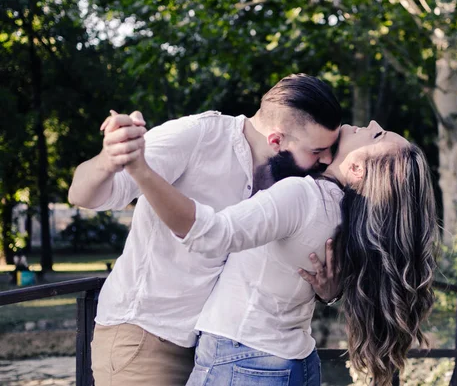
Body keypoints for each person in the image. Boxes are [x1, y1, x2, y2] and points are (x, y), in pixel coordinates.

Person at [67, 74, 343, 386]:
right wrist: (109, 158)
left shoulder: (291, 180)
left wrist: (328, 291)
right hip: (148, 338)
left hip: (216, 348)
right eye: (318, 150)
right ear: (276, 140)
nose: (328, 159)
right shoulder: (198, 136)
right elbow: (83, 195)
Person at [124, 119, 440, 386]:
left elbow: (208, 233)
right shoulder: (345, 217)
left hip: (243, 358)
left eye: (377, 135)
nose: (373, 124)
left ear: (356, 168)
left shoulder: (301, 196)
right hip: (293, 362)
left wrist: (142, 170)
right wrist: (330, 294)